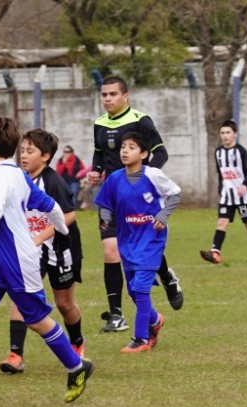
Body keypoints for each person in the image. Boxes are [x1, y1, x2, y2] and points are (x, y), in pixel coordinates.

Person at [0, 115, 93, 405]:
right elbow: (50, 206)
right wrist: (61, 229)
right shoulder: (18, 174)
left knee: (36, 320)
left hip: (17, 261)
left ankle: (77, 367)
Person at [87, 75, 183, 334]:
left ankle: (167, 278)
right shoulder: (99, 123)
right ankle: (116, 315)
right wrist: (96, 170)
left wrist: (145, 178)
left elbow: (161, 152)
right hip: (112, 199)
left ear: (125, 96)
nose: (107, 99)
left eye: (113, 94)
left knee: (142, 248)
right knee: (111, 251)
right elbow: (99, 153)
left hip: (140, 201)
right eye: (104, 94)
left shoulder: (141, 121)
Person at [0, 128, 85, 374]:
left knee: (64, 304)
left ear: (45, 156)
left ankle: (77, 342)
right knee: (22, 296)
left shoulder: (53, 181)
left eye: (30, 151)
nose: (24, 156)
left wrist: (38, 237)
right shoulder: (17, 178)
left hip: (61, 249)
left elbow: (68, 216)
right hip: (32, 252)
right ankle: (15, 355)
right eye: (22, 151)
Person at [94, 132, 180, 353]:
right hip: (128, 241)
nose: (125, 150)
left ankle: (140, 339)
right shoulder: (114, 178)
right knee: (133, 291)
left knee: (141, 289)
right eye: (123, 146)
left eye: (131, 147)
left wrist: (163, 215)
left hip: (151, 240)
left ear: (143, 154)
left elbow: (175, 194)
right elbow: (105, 203)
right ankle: (155, 320)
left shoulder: (153, 175)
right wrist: (105, 218)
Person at [199, 120, 247, 264]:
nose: (225, 135)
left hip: (243, 197)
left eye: (228, 132)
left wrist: (244, 185)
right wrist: (221, 189)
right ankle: (215, 253)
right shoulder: (218, 152)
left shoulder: (240, 151)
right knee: (221, 222)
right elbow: (220, 173)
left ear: (235, 134)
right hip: (226, 197)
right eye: (222, 133)